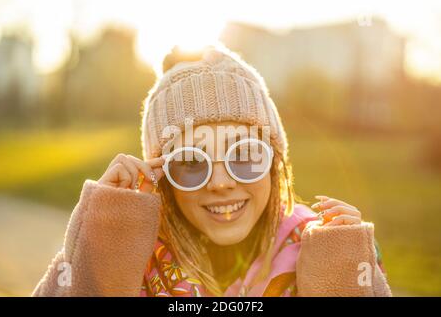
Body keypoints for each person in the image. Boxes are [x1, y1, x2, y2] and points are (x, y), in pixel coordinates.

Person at [32, 44, 392, 297]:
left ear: (275, 164)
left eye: (245, 155)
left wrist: (348, 280)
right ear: (162, 177)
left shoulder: (320, 250)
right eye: (191, 162)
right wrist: (100, 244)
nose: (220, 182)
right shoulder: (131, 257)